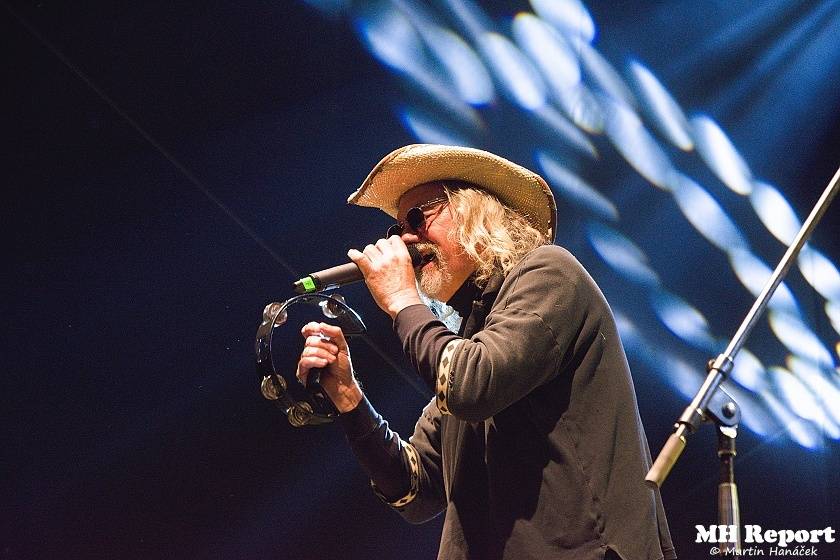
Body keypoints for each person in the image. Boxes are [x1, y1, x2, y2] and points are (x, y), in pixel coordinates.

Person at [296, 144, 677, 560]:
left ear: (475, 211)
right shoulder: (472, 338)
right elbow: (415, 488)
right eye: (397, 229)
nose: (405, 238)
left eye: (418, 218)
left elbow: (469, 386)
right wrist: (350, 400)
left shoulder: (550, 274)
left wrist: (405, 301)